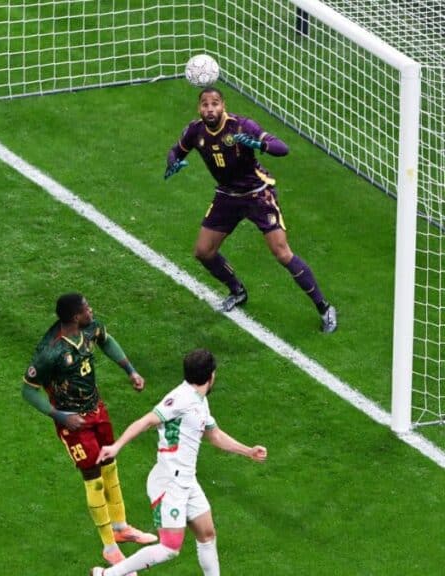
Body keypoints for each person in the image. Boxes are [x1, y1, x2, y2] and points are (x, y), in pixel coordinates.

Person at [165, 87, 337, 333]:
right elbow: (175, 150)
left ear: (223, 105)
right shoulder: (196, 131)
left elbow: (282, 148)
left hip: (258, 194)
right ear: (199, 108)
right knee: (203, 251)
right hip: (227, 196)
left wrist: (258, 144)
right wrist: (173, 162)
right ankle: (237, 291)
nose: (210, 109)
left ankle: (324, 308)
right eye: (205, 104)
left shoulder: (242, 126)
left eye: (215, 103)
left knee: (282, 252)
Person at [90, 349, 268, 576]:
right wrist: (116, 446)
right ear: (211, 376)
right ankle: (107, 575)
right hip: (169, 482)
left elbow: (214, 435)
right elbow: (147, 421)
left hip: (186, 480)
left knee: (207, 534)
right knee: (169, 548)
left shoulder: (199, 400)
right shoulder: (181, 399)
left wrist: (248, 451)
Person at [22, 293, 156, 569]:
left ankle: (120, 527)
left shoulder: (89, 327)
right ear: (75, 316)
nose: (91, 310)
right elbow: (28, 390)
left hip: (96, 408)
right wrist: (61, 416)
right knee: (93, 477)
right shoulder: (50, 352)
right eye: (86, 308)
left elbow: (106, 340)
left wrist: (130, 371)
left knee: (109, 462)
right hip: (73, 422)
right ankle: (109, 547)